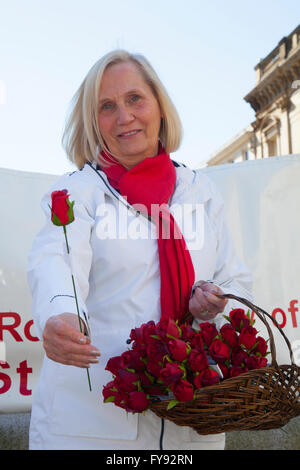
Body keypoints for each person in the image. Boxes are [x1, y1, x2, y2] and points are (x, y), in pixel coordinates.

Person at [27, 49, 252, 450]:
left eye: (135, 99)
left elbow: (234, 281)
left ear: (160, 107)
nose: (124, 116)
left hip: (191, 418)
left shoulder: (202, 192)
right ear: (93, 122)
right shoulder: (77, 191)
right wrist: (60, 315)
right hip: (93, 421)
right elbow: (56, 261)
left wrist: (216, 305)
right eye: (107, 106)